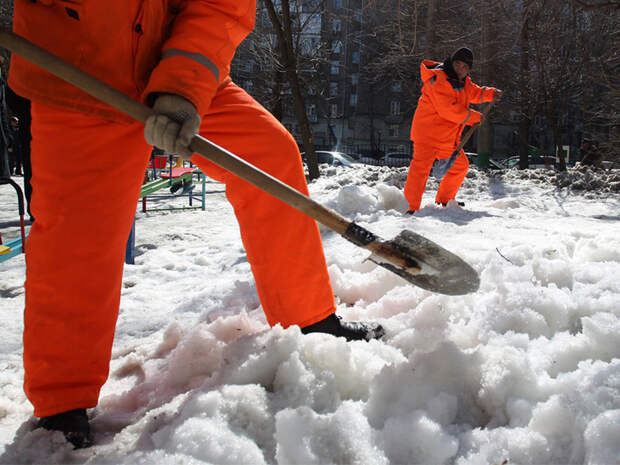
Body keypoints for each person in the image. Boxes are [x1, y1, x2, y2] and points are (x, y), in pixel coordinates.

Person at [9, 0, 383, 449]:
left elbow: (220, 5)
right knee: (77, 240)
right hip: (80, 66)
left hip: (175, 63)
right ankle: (60, 403)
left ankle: (310, 320)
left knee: (269, 156)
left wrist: (184, 85)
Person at [403, 47, 501, 213]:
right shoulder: (438, 80)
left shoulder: (463, 83)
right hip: (427, 135)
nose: (460, 69)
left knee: (460, 166)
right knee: (420, 170)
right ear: (451, 62)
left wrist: (491, 93)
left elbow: (475, 92)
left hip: (447, 138)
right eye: (457, 64)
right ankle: (409, 207)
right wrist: (473, 117)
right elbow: (448, 110)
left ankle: (445, 200)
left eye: (465, 67)